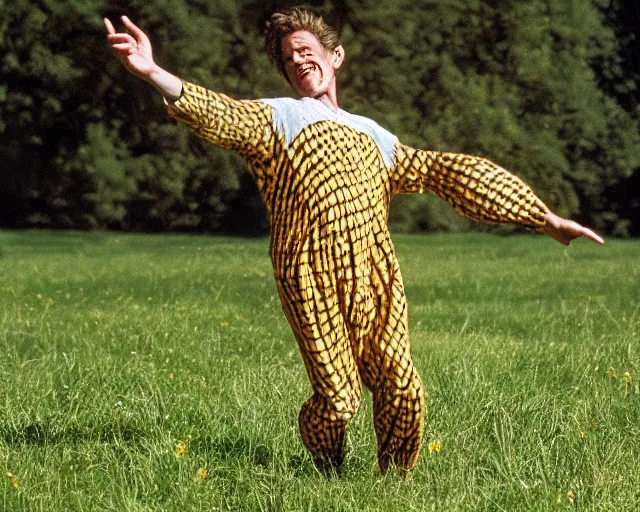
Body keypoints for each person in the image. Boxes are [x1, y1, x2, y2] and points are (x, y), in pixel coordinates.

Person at [104, 7, 603, 476]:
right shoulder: (276, 117)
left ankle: (392, 488)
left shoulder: (377, 137)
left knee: (403, 389)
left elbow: (452, 173)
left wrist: (542, 217)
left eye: (305, 49)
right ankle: (327, 471)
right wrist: (152, 71)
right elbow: (218, 112)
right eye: (288, 58)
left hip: (376, 274)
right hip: (309, 272)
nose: (298, 60)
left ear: (333, 56)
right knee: (340, 399)